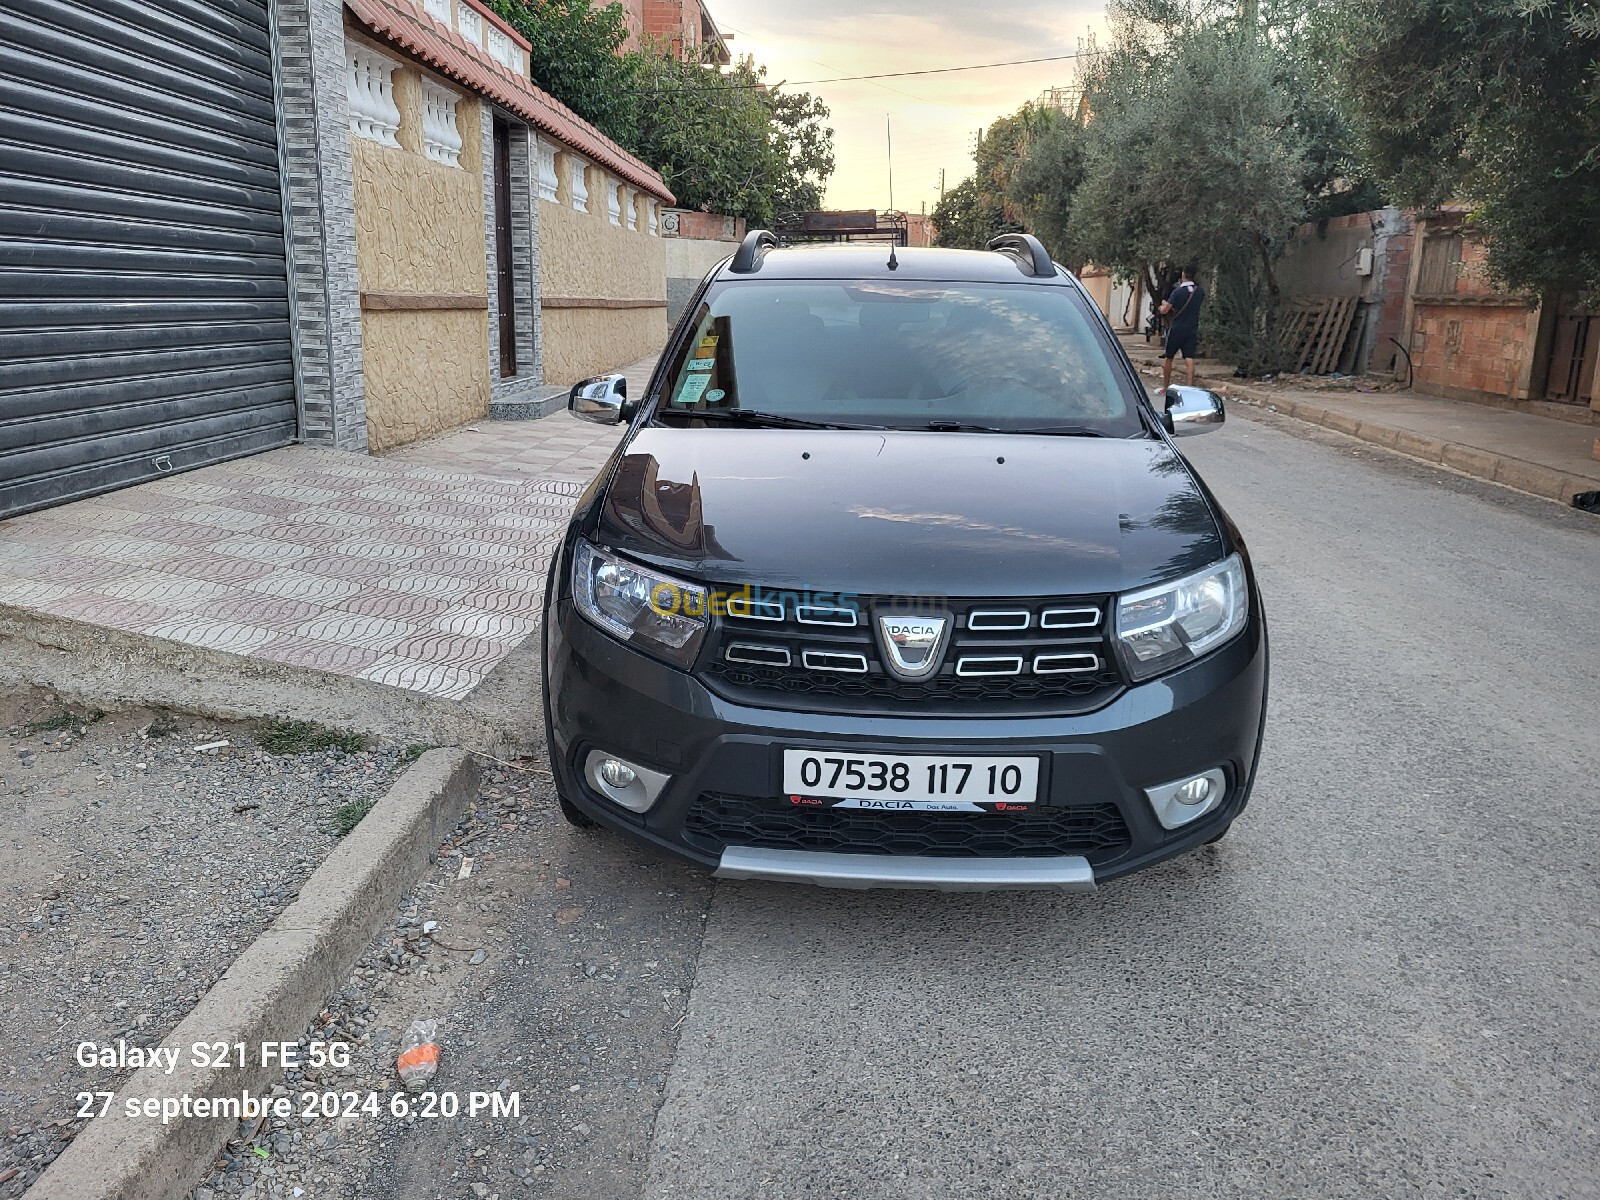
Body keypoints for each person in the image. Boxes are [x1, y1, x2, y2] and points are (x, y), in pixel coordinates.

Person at [1158, 265, 1204, 391]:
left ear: (1183, 274)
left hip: (1177, 328)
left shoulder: (1177, 292)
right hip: (1192, 328)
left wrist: (1161, 307)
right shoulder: (1199, 292)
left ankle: (1165, 386)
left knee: (1169, 357)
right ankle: (1189, 388)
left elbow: (1165, 310)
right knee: (1189, 358)